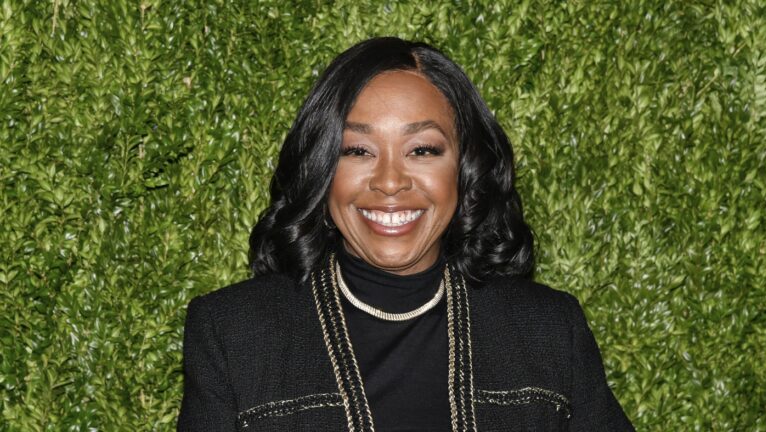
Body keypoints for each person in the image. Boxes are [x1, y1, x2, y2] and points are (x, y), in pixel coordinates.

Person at [177, 37, 634, 432]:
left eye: (422, 150)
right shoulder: (234, 332)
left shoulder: (549, 330)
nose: (390, 181)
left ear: (465, 168)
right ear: (322, 170)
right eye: (358, 150)